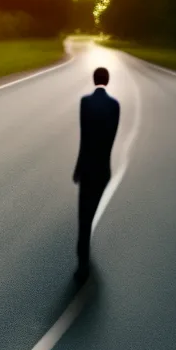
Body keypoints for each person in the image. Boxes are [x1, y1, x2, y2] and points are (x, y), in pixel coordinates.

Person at [73, 67, 120, 283]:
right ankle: (84, 260)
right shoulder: (115, 106)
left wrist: (78, 167)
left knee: (83, 217)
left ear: (94, 80)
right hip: (103, 168)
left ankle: (82, 263)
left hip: (88, 167)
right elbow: (111, 139)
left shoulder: (84, 103)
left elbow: (84, 137)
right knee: (92, 214)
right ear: (107, 81)